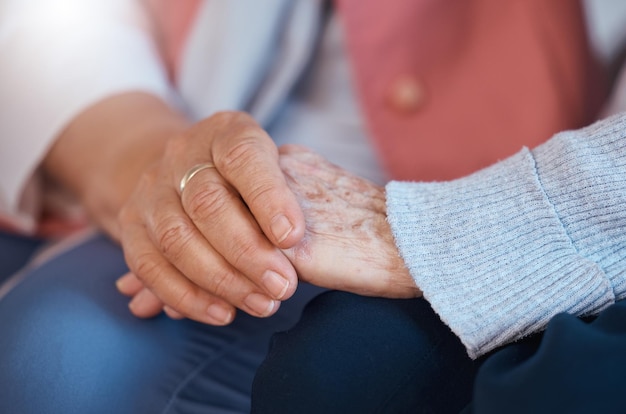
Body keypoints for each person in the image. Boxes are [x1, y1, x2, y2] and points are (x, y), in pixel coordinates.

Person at [0, 0, 625, 412]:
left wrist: (475, 231)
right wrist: (148, 160)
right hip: (176, 119)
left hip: (530, 189)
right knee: (53, 361)